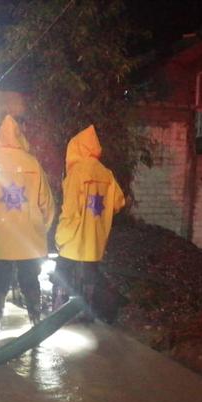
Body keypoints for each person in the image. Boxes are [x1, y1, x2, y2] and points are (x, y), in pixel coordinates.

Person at [0, 114, 55, 335]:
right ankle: (36, 322)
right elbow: (47, 203)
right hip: (29, 240)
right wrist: (41, 230)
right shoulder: (33, 163)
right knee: (30, 279)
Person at [54, 125, 125, 321]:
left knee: (62, 271)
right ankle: (87, 314)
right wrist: (98, 216)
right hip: (94, 239)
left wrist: (61, 236)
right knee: (90, 275)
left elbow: (70, 212)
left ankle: (59, 315)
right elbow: (119, 202)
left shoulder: (76, 172)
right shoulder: (106, 173)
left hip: (74, 239)